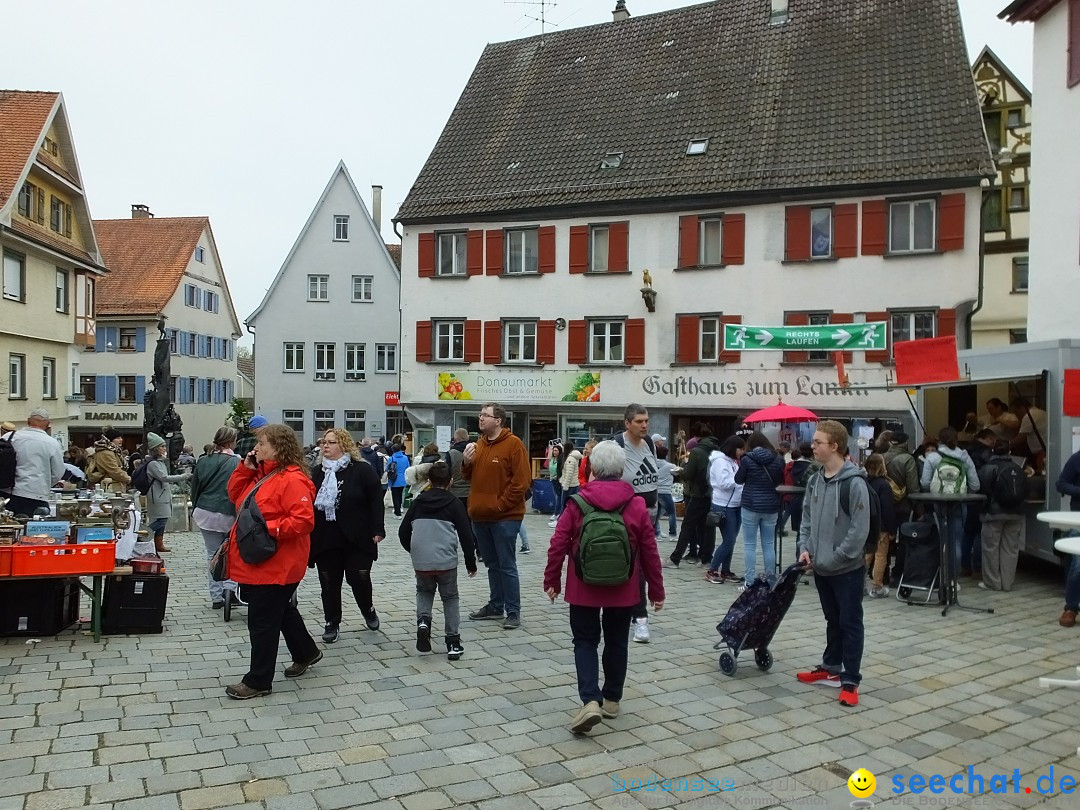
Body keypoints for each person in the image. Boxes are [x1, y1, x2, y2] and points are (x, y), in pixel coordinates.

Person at [543, 440, 665, 735]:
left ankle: (589, 700)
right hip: (623, 588)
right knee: (617, 642)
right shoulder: (636, 504)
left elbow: (558, 544)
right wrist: (656, 592)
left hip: (582, 585)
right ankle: (611, 699)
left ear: (593, 468)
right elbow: (650, 552)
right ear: (622, 470)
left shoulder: (577, 503)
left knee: (584, 641)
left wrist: (552, 581)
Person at [224, 424, 321, 699]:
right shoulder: (263, 474)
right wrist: (246, 467)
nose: (257, 448)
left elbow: (303, 521)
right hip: (261, 560)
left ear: (279, 447)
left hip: (278, 563)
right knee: (280, 612)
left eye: (263, 443)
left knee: (262, 620)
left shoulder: (292, 479)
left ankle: (258, 680)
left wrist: (269, 527)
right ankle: (306, 652)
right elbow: (234, 496)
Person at [796, 420, 870, 708]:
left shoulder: (854, 483)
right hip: (821, 567)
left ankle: (850, 679)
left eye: (818, 442)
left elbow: (859, 530)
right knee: (832, 620)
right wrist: (805, 549)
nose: (812, 446)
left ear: (835, 446)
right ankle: (831, 667)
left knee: (850, 623)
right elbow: (806, 519)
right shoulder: (815, 479)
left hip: (846, 569)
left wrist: (836, 556)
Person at [310, 428, 385, 643]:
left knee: (359, 577)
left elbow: (375, 501)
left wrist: (378, 529)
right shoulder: (316, 473)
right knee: (329, 582)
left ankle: (367, 609)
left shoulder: (362, 470)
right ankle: (331, 622)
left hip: (358, 535)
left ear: (344, 445)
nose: (326, 446)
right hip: (326, 536)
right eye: (324, 442)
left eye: (331, 442)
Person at [399, 460, 478, 660]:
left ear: (429, 481)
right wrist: (471, 563)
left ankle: (424, 621)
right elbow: (467, 535)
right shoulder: (454, 503)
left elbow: (403, 532)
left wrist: (414, 550)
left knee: (424, 591)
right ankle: (453, 642)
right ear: (450, 481)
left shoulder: (418, 502)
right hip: (446, 561)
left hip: (421, 561)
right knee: (450, 598)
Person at [464, 402, 531, 630]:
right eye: (480, 415)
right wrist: (466, 461)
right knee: (492, 563)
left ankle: (513, 610)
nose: (480, 418)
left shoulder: (514, 445)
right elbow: (467, 476)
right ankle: (495, 605)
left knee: (506, 564)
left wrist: (500, 506)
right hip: (480, 515)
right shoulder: (479, 444)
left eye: (485, 415)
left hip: (505, 517)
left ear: (498, 420)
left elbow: (521, 482)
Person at [614, 404, 659, 643]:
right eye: (639, 421)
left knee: (642, 565)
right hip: (626, 517)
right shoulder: (616, 446)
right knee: (636, 566)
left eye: (646, 421)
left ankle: (631, 611)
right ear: (627, 423)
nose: (644, 425)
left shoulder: (650, 442)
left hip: (650, 515)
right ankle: (639, 618)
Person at [191, 427, 242, 609]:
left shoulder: (203, 461)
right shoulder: (237, 463)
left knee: (212, 554)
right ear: (231, 442)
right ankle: (229, 591)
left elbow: (195, 487)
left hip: (205, 511)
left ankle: (216, 596)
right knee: (232, 553)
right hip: (229, 513)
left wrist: (195, 506)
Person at [919, 426, 980, 570]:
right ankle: (954, 579)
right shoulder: (965, 457)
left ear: (939, 440)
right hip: (958, 503)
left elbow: (925, 483)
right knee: (956, 541)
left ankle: (940, 576)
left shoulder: (933, 457)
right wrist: (963, 492)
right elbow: (975, 485)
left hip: (938, 504)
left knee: (940, 540)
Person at [734, 432, 784, 588]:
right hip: (771, 506)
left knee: (749, 545)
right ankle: (770, 581)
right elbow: (780, 481)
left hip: (750, 504)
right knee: (769, 544)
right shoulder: (778, 459)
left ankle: (749, 582)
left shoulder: (747, 459)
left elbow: (738, 479)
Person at [977, 440, 1026, 592]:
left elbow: (981, 489)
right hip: (1016, 513)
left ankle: (993, 583)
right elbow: (1025, 489)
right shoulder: (1018, 468)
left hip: (993, 514)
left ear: (993, 451)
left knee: (991, 549)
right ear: (1009, 452)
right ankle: (1007, 583)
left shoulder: (988, 468)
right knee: (1011, 549)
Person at [670, 424, 718, 567]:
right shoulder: (717, 449)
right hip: (713, 494)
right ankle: (706, 558)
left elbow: (689, 474)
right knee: (708, 527)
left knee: (688, 525)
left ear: (697, 437)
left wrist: (681, 471)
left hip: (697, 493)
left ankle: (675, 558)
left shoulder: (697, 451)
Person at [1, 408, 64, 516]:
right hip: (35, 495)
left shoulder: (9, 437)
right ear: (48, 424)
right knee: (34, 530)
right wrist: (43, 483)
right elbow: (57, 473)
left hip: (6, 493)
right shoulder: (52, 443)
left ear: (28, 421)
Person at [704, 436, 744, 583]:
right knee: (729, 540)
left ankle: (725, 570)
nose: (742, 452)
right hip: (724, 505)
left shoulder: (733, 462)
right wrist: (740, 480)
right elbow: (723, 483)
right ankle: (712, 569)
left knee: (731, 540)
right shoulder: (721, 461)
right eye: (740, 448)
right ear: (733, 448)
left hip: (735, 504)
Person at [144, 432, 192, 553]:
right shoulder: (154, 464)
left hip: (161, 494)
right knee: (161, 520)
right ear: (155, 449)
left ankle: (158, 543)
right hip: (157, 496)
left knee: (162, 519)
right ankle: (142, 535)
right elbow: (164, 477)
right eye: (162, 446)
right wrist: (183, 476)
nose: (165, 449)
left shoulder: (159, 462)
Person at [862, 454, 897, 598]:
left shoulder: (863, 482)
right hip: (881, 526)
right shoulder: (884, 484)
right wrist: (892, 529)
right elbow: (887, 509)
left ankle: (861, 584)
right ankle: (877, 586)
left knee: (866, 555)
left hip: (866, 524)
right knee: (880, 556)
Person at [1057, 448, 1080, 626]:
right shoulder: (1077, 459)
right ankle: (1071, 608)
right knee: (1078, 565)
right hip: (1078, 520)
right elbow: (1061, 484)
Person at [1009, 396, 1048, 473]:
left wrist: (1007, 445)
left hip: (1042, 452)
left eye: (1015, 412)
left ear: (1021, 408)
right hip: (1046, 449)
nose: (1016, 415)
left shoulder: (1028, 416)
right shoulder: (1042, 412)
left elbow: (1021, 438)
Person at [653, 445, 680, 540]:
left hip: (656, 491)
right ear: (666, 455)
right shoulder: (670, 466)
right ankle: (672, 534)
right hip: (665, 491)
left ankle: (656, 534)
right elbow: (678, 472)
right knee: (672, 513)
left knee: (656, 514)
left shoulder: (653, 463)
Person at [559, 440, 583, 524]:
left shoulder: (570, 459)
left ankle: (562, 521)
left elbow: (569, 473)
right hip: (574, 484)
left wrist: (565, 485)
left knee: (564, 504)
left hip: (569, 485)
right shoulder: (574, 457)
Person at [388, 443, 411, 517]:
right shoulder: (405, 458)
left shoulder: (391, 458)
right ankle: (400, 507)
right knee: (400, 494)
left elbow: (387, 469)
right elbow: (408, 467)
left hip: (394, 479)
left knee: (395, 496)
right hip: (403, 479)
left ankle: (397, 512)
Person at [546, 443, 564, 529]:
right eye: (553, 450)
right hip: (552, 479)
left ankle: (556, 513)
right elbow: (548, 466)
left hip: (557, 480)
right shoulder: (552, 459)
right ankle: (556, 513)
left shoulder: (561, 459)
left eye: (556, 450)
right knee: (556, 497)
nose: (554, 452)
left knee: (558, 497)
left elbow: (560, 469)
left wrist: (557, 476)